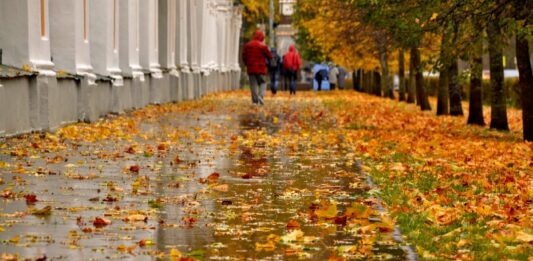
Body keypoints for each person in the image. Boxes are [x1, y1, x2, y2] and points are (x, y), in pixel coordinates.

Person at [242, 30, 272, 105]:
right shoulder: (262, 46)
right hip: (260, 68)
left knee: (253, 84)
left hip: (251, 68)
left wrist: (247, 64)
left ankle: (255, 101)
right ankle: (261, 96)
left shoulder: (247, 45)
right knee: (263, 82)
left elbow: (244, 56)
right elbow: (270, 56)